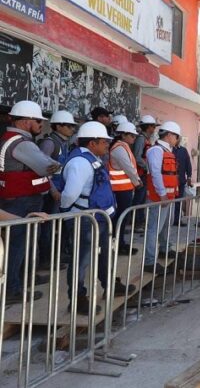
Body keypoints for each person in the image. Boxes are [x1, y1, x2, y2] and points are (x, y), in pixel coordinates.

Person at [60, 122, 134, 315]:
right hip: (84, 219)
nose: (107, 145)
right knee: (81, 260)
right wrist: (67, 212)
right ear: (92, 143)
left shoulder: (93, 158)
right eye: (104, 142)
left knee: (104, 254)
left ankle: (109, 284)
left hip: (99, 218)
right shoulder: (80, 163)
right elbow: (69, 194)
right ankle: (77, 299)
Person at [0, 101, 60, 304]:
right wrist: (56, 165)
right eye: (38, 120)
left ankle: (22, 278)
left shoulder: (10, 139)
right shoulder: (22, 143)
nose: (41, 124)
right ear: (26, 122)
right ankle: (12, 289)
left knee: (21, 243)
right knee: (17, 245)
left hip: (18, 198)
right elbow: (48, 166)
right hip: (22, 201)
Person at [37, 110, 77, 267]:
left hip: (60, 190)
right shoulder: (50, 143)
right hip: (50, 192)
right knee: (47, 226)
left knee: (56, 225)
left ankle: (56, 255)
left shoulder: (63, 143)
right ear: (58, 126)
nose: (72, 129)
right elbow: (41, 168)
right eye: (69, 126)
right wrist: (53, 190)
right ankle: (46, 260)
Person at [143, 121, 181, 275]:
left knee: (166, 225)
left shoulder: (167, 151)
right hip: (158, 197)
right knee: (154, 229)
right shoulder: (156, 151)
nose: (177, 139)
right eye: (176, 136)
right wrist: (162, 194)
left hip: (168, 197)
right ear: (169, 135)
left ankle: (165, 249)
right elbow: (156, 173)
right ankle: (149, 262)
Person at [109, 122, 141, 255]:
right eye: (132, 135)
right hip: (120, 189)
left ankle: (120, 243)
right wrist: (137, 182)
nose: (134, 138)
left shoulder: (123, 147)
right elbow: (128, 167)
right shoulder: (119, 148)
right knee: (120, 218)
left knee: (123, 218)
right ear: (123, 135)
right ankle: (117, 244)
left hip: (125, 188)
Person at [131, 115, 156, 225]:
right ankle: (136, 222)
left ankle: (139, 221)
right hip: (141, 173)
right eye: (153, 126)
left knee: (142, 199)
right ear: (148, 127)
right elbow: (137, 157)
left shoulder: (146, 139)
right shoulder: (141, 139)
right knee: (139, 199)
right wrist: (148, 167)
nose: (154, 129)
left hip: (145, 173)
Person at [172, 140, 192, 227]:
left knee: (178, 201)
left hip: (180, 181)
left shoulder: (183, 150)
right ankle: (168, 220)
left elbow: (188, 164)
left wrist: (189, 177)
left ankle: (176, 220)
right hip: (170, 182)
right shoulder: (168, 149)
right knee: (168, 202)